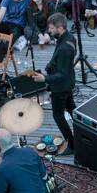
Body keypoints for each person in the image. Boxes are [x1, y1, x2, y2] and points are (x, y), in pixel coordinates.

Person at [31, 14, 76, 155]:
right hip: (68, 83)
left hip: (61, 86)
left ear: (60, 28)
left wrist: (44, 78)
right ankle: (83, 134)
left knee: (58, 115)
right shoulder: (68, 38)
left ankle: (72, 144)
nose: (49, 31)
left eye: (51, 28)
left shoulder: (64, 48)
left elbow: (62, 74)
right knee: (72, 109)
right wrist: (52, 64)